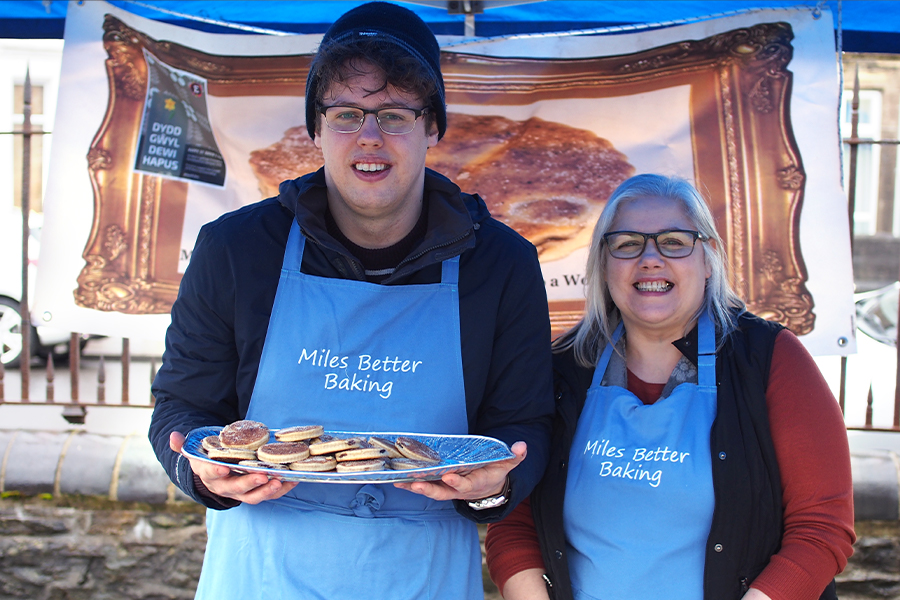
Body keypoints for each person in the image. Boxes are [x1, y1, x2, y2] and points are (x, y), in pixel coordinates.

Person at [148, 3, 554, 598]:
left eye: (394, 114)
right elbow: (182, 406)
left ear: (432, 127)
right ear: (315, 128)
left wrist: (494, 487)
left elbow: (524, 424)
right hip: (261, 571)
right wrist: (202, 474)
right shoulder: (237, 250)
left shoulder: (501, 263)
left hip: (425, 572)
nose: (369, 136)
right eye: (345, 114)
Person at [484, 174, 856, 600]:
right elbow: (515, 522)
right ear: (602, 264)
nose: (650, 259)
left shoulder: (770, 359)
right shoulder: (562, 367)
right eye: (627, 244)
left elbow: (822, 528)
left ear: (709, 257)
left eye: (674, 241)